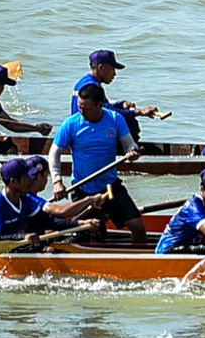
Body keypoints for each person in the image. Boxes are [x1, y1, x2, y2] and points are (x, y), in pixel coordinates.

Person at [48, 82, 143, 243]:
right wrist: (57, 181)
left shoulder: (115, 119)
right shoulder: (71, 124)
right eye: (79, 107)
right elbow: (54, 153)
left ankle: (139, 261)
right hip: (82, 188)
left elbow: (129, 145)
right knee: (89, 234)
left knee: (138, 227)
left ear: (100, 105)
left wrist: (132, 152)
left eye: (86, 108)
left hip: (110, 186)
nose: (81, 112)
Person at [0, 156, 84, 241]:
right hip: (8, 251)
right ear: (13, 181)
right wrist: (22, 237)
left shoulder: (25, 199)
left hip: (25, 246)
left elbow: (49, 222)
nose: (29, 180)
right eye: (25, 177)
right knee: (49, 250)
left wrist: (80, 224)